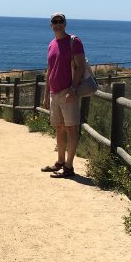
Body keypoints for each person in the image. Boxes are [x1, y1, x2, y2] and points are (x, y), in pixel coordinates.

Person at [40, 12, 86, 177]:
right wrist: (46, 94)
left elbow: (80, 66)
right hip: (54, 92)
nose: (58, 24)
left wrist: (73, 89)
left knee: (71, 128)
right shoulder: (51, 44)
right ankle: (60, 162)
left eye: (61, 21)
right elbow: (49, 71)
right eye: (55, 21)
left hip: (68, 91)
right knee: (59, 128)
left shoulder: (75, 42)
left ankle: (69, 166)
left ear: (65, 24)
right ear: (51, 25)